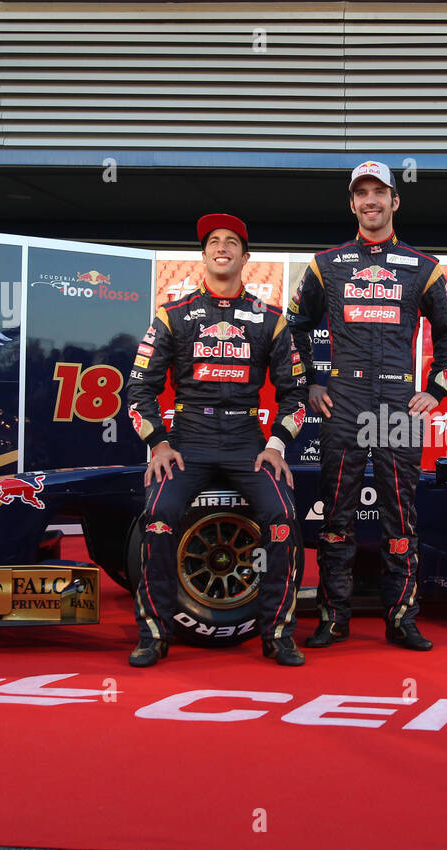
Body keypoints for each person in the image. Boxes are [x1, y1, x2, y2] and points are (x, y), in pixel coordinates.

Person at [288, 160, 447, 651]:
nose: (371, 201)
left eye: (379, 192)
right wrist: (310, 385)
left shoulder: (424, 267)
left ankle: (402, 619)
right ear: (352, 203)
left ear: (394, 201)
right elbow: (294, 328)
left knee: (400, 517)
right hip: (344, 400)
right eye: (362, 193)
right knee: (335, 518)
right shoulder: (325, 264)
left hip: (398, 406)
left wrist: (436, 391)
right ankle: (333, 618)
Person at [126, 213, 308, 667]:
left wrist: (276, 446)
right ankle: (154, 634)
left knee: (283, 518)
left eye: (231, 241)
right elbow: (139, 389)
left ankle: (278, 634)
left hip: (247, 441)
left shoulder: (271, 319)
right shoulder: (173, 315)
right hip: (189, 439)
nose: (221, 246)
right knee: (157, 518)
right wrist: (159, 444)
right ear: (204, 255)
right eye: (213, 241)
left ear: (246, 257)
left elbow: (295, 393)